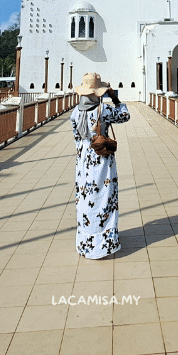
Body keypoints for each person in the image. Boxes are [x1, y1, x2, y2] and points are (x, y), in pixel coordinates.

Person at [71, 72, 129, 259]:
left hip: (83, 164)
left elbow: (77, 139)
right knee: (104, 198)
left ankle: (86, 243)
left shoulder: (75, 112)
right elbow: (124, 115)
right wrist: (114, 96)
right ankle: (102, 245)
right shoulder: (102, 110)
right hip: (101, 161)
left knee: (86, 200)